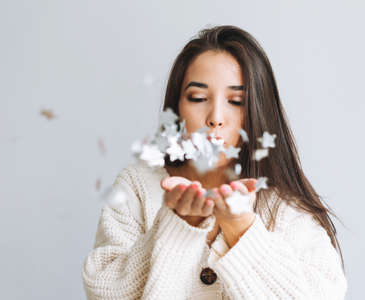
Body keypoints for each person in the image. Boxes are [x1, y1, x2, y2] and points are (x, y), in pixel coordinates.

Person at [81, 25, 348, 300]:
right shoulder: (136, 188)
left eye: (235, 101)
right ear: (177, 108)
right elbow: (103, 290)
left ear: (258, 111)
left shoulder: (285, 206)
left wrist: (242, 231)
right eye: (198, 98)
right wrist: (178, 227)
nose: (215, 118)